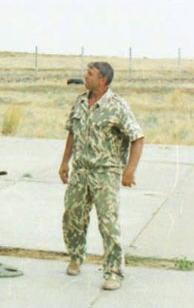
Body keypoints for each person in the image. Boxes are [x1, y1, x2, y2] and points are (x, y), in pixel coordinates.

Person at [58, 61, 144, 291]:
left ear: (103, 79)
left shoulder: (117, 106)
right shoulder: (80, 102)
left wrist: (130, 170)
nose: (85, 76)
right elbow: (72, 133)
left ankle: (113, 271)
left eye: (90, 73)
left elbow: (137, 138)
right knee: (72, 217)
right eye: (86, 72)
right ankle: (75, 257)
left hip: (105, 173)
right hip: (80, 171)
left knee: (108, 223)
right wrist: (65, 162)